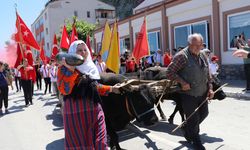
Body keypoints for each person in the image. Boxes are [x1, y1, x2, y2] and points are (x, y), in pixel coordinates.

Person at [58, 40, 120, 150]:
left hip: (94, 111)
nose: (83, 52)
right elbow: (65, 90)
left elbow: (94, 87)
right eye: (79, 50)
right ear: (72, 52)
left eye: (85, 50)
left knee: (101, 143)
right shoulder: (63, 68)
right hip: (75, 115)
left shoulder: (91, 67)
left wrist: (111, 89)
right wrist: (71, 69)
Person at [166, 33, 214, 150]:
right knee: (193, 118)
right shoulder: (182, 56)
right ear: (189, 44)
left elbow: (208, 74)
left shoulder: (203, 55)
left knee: (204, 114)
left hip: (202, 92)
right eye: (195, 45)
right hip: (188, 94)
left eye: (200, 45)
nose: (198, 48)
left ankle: (187, 128)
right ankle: (195, 140)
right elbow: (170, 72)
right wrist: (182, 82)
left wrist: (211, 88)